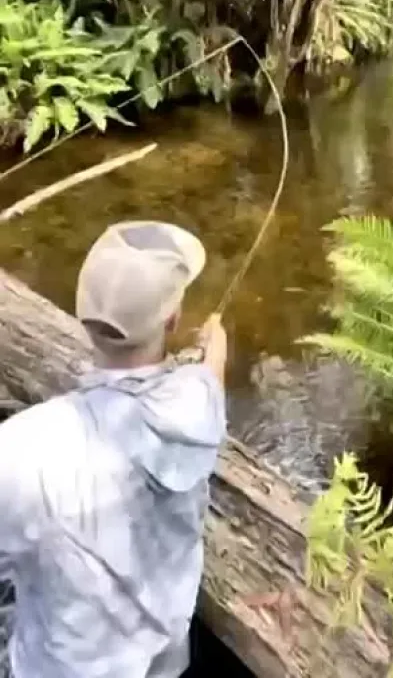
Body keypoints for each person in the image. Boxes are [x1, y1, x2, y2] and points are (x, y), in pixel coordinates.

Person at [0, 221, 227, 678]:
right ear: (173, 320)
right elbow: (211, 377)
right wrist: (215, 347)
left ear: (83, 317)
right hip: (165, 661)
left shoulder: (23, 448)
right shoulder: (196, 402)